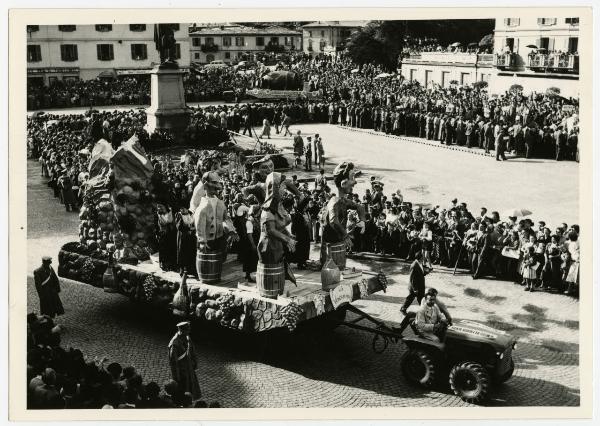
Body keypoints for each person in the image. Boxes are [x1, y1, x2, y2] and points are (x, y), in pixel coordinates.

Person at [194, 171, 238, 279]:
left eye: (217, 183)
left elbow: (226, 218)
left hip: (218, 237)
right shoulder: (202, 206)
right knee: (206, 258)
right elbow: (199, 225)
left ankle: (216, 274)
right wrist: (201, 240)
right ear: (205, 184)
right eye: (213, 183)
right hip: (207, 239)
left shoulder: (220, 203)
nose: (216, 186)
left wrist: (231, 230)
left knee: (220, 257)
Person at [168, 321, 201, 400]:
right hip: (181, 370)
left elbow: (192, 350)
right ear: (181, 330)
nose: (189, 332)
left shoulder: (186, 337)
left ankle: (189, 399)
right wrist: (176, 377)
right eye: (187, 330)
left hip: (189, 367)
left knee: (190, 385)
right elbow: (173, 362)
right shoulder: (174, 344)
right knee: (182, 388)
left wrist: (194, 362)